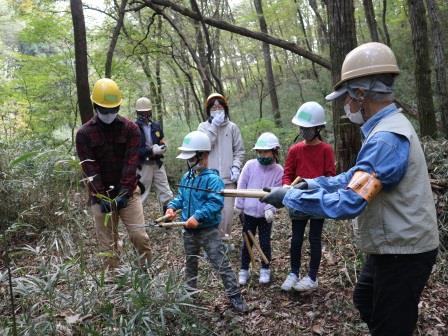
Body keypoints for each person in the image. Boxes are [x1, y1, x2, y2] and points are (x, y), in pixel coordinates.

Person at [261, 42, 439, 336]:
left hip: (404, 250)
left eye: (346, 97)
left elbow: (350, 201)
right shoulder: (385, 130)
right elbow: (356, 178)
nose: (346, 106)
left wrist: (292, 196)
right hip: (393, 245)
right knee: (365, 298)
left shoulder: (386, 139)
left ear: (360, 93)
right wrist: (313, 183)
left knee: (391, 325)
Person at [164, 130, 249, 313]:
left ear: (202, 155)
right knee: (191, 262)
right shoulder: (187, 177)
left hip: (208, 231)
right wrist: (171, 207)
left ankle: (235, 295)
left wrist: (198, 216)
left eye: (191, 157)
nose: (188, 161)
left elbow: (215, 203)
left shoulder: (213, 180)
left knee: (220, 263)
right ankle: (190, 294)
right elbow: (181, 197)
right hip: (189, 231)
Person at [76, 78, 151, 268]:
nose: (109, 114)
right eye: (105, 110)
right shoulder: (84, 134)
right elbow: (89, 168)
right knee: (108, 246)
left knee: (139, 236)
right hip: (100, 196)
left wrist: (124, 193)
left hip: (128, 193)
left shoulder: (130, 129)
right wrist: (102, 197)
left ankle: (146, 273)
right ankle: (114, 281)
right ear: (95, 106)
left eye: (113, 109)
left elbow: (131, 162)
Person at [280, 102, 336, 292]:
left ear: (317, 128)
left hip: (318, 200)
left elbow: (330, 176)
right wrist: (287, 187)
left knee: (314, 238)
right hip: (297, 200)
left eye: (308, 128)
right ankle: (293, 273)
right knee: (296, 238)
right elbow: (287, 174)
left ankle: (312, 276)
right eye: (302, 127)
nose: (304, 131)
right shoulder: (295, 150)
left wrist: (319, 189)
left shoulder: (326, 150)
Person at [234, 132, 283, 285]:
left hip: (264, 215)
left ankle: (265, 269)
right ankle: (244, 270)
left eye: (265, 151)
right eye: (259, 152)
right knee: (247, 242)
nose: (262, 155)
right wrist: (239, 206)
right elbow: (241, 186)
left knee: (264, 242)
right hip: (248, 213)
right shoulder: (250, 166)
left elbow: (277, 192)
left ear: (274, 151)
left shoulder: (279, 170)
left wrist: (270, 208)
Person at [198, 93, 245, 243]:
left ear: (225, 108)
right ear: (208, 110)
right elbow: (204, 146)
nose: (217, 109)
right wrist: (214, 127)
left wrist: (236, 167)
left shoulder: (232, 127)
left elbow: (239, 151)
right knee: (210, 212)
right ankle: (211, 243)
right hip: (209, 179)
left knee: (227, 214)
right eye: (213, 107)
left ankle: (224, 242)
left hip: (228, 179)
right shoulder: (203, 128)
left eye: (220, 106)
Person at [134, 97, 173, 212]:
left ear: (150, 111)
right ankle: (138, 222)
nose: (145, 114)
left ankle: (168, 218)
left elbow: (161, 139)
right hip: (143, 165)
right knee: (141, 193)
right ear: (137, 113)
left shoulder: (156, 126)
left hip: (157, 163)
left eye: (147, 112)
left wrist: (163, 146)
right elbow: (135, 151)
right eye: (142, 112)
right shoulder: (134, 128)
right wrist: (151, 151)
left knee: (166, 192)